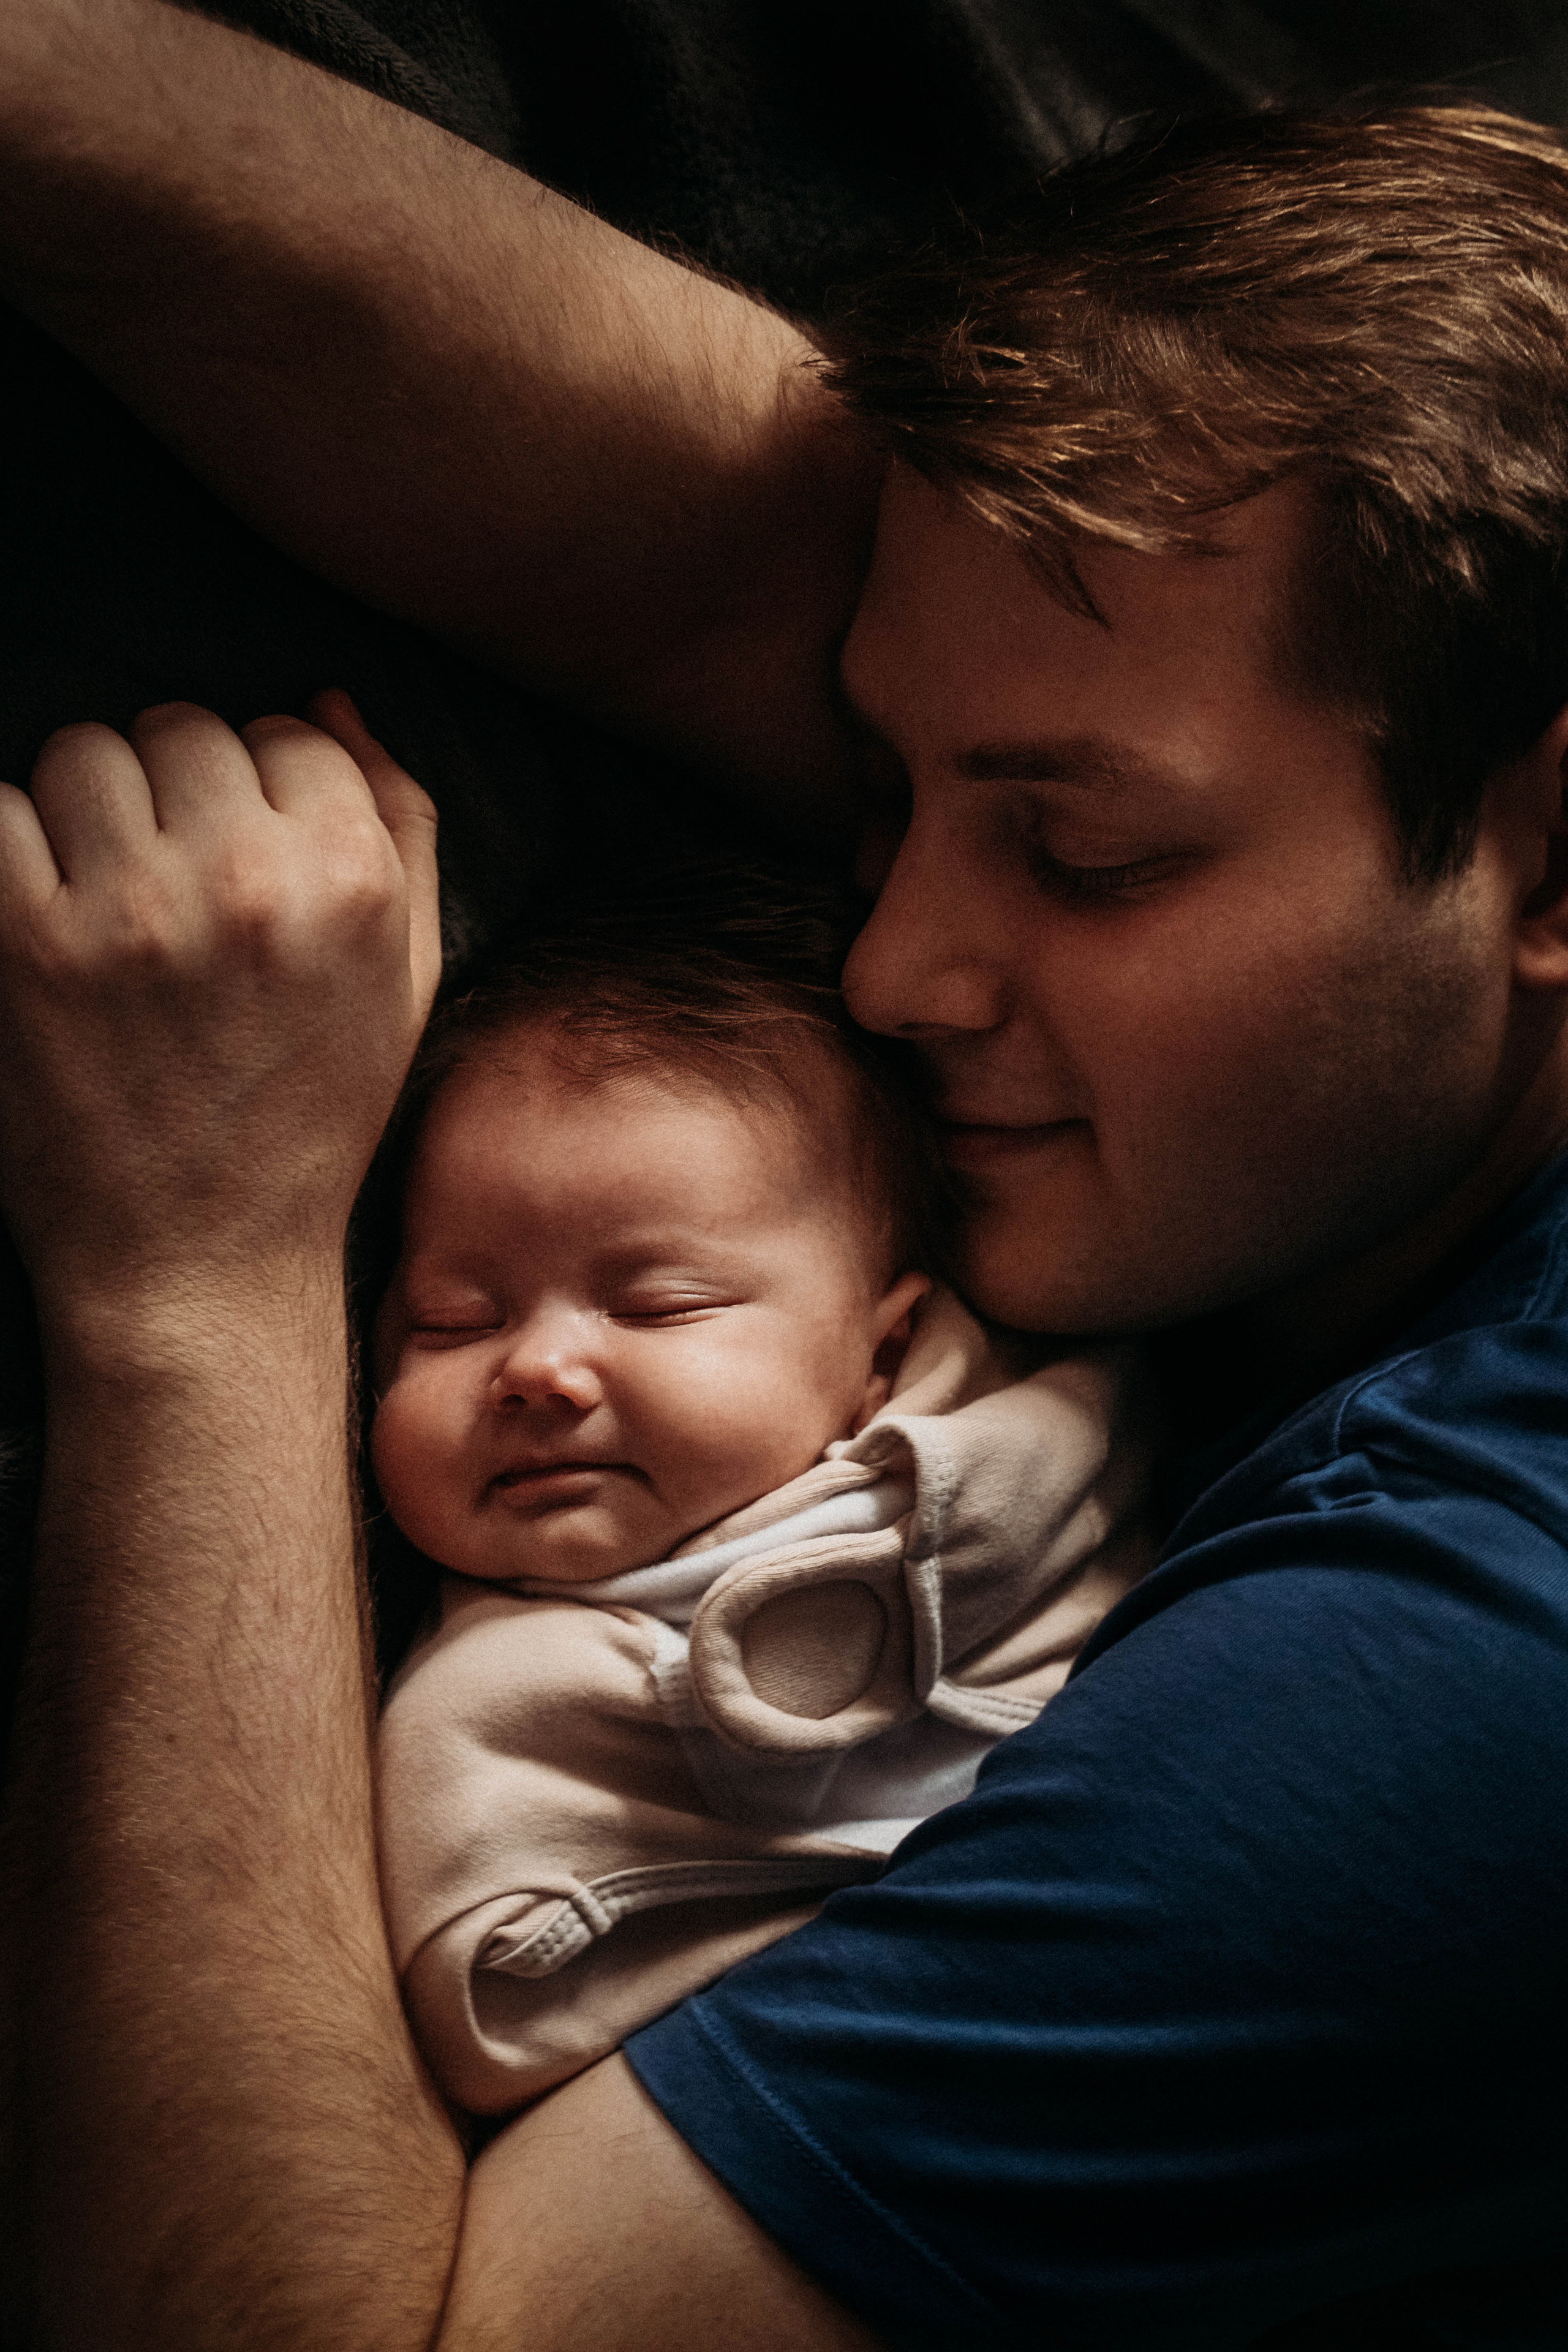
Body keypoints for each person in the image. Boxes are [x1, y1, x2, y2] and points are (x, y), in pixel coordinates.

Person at [1, 8, 1568, 2346]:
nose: (900, 964)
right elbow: (706, 549)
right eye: (880, 794)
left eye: (1079, 852)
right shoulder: (1353, 991)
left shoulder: (1468, 1651)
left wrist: (199, 1281)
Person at [367, 895, 1152, 2111]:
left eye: (658, 1305)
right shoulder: (493, 1714)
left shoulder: (1051, 1442)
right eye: (453, 1321)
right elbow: (497, 2011)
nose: (530, 1371)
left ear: (882, 1351)